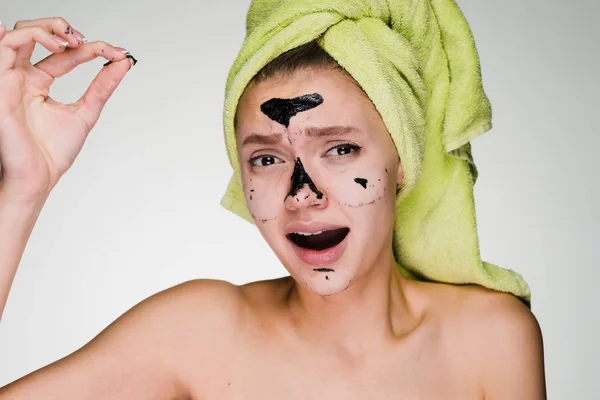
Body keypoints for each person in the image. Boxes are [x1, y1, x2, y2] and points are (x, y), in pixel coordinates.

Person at [0, 6, 546, 400]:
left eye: (340, 149)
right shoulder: (197, 334)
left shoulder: (492, 338)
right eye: (266, 159)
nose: (301, 194)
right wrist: (23, 189)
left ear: (402, 160)